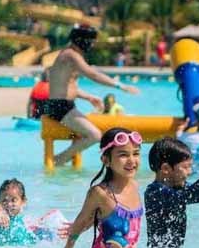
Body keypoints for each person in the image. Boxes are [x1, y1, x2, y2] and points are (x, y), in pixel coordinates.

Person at [59, 128, 144, 248]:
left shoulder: (135, 185)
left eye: (136, 153)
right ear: (106, 160)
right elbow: (82, 220)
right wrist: (70, 245)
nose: (132, 160)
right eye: (123, 155)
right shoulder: (100, 193)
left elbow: (102, 218)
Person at [41, 26, 139, 166]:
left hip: (62, 105)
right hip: (59, 107)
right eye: (91, 41)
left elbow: (67, 86)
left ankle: (58, 161)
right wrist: (120, 86)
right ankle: (58, 161)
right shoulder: (70, 55)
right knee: (95, 135)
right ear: (82, 40)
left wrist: (89, 97)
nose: (92, 45)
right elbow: (92, 74)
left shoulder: (69, 54)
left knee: (91, 134)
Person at [0, 178, 58, 246]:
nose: (9, 204)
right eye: (4, 201)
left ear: (23, 201)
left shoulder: (27, 223)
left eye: (13, 200)